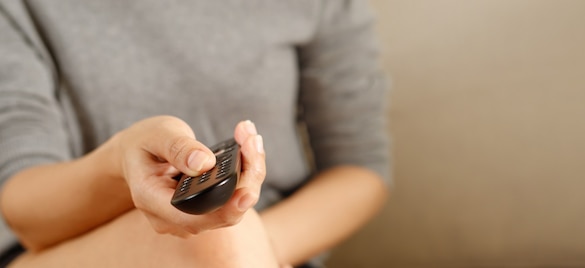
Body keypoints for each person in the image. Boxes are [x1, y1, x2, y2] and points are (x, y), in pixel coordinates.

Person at [0, 1, 390, 267]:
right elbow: (27, 216)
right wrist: (119, 162)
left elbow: (359, 169)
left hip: (270, 244)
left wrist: (248, 245)